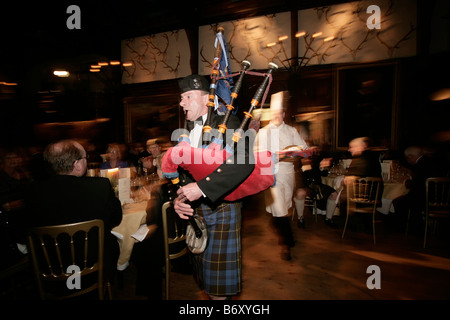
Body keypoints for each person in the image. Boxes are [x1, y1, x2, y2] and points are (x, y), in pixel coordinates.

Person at [172, 74, 254, 300]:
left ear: (206, 98)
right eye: (181, 97)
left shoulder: (228, 122)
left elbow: (245, 160)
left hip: (222, 209)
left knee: (217, 287)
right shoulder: (188, 129)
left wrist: (202, 188)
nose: (182, 102)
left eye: (187, 96)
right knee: (205, 277)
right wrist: (179, 200)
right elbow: (184, 172)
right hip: (197, 211)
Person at [24, 139, 122, 289]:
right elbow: (116, 219)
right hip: (94, 268)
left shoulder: (31, 192)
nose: (86, 161)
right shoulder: (100, 186)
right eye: (85, 158)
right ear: (77, 165)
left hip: (51, 272)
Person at [254, 91, 309, 261]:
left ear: (284, 114)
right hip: (271, 173)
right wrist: (263, 178)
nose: (278, 116)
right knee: (279, 209)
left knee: (283, 208)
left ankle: (281, 230)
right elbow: (256, 154)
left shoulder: (292, 130)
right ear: (272, 114)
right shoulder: (263, 132)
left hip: (288, 172)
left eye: (280, 113)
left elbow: (304, 149)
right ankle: (287, 243)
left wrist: (296, 153)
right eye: (275, 114)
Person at [322, 137, 383, 228]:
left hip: (363, 197)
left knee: (338, 194)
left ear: (361, 147)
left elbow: (351, 177)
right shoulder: (372, 158)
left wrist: (345, 180)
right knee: (340, 193)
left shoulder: (361, 160)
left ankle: (346, 223)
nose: (349, 149)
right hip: (374, 196)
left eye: (352, 147)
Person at [391, 145, 441, 232]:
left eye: (408, 158)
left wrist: (409, 183)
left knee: (396, 202)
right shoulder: (431, 162)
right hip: (438, 197)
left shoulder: (420, 165)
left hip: (424, 198)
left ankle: (403, 229)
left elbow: (418, 185)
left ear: (410, 156)